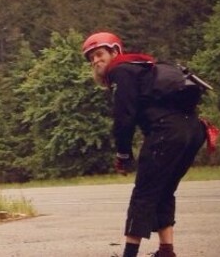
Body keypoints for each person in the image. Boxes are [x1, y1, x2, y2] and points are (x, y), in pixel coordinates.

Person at [82, 31, 207, 257]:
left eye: (99, 54)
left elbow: (124, 118)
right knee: (164, 191)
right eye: (91, 58)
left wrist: (123, 154)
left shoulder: (120, 70)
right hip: (194, 130)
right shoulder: (142, 67)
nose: (95, 61)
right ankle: (166, 251)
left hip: (167, 133)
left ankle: (130, 254)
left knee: (144, 194)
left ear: (115, 52)